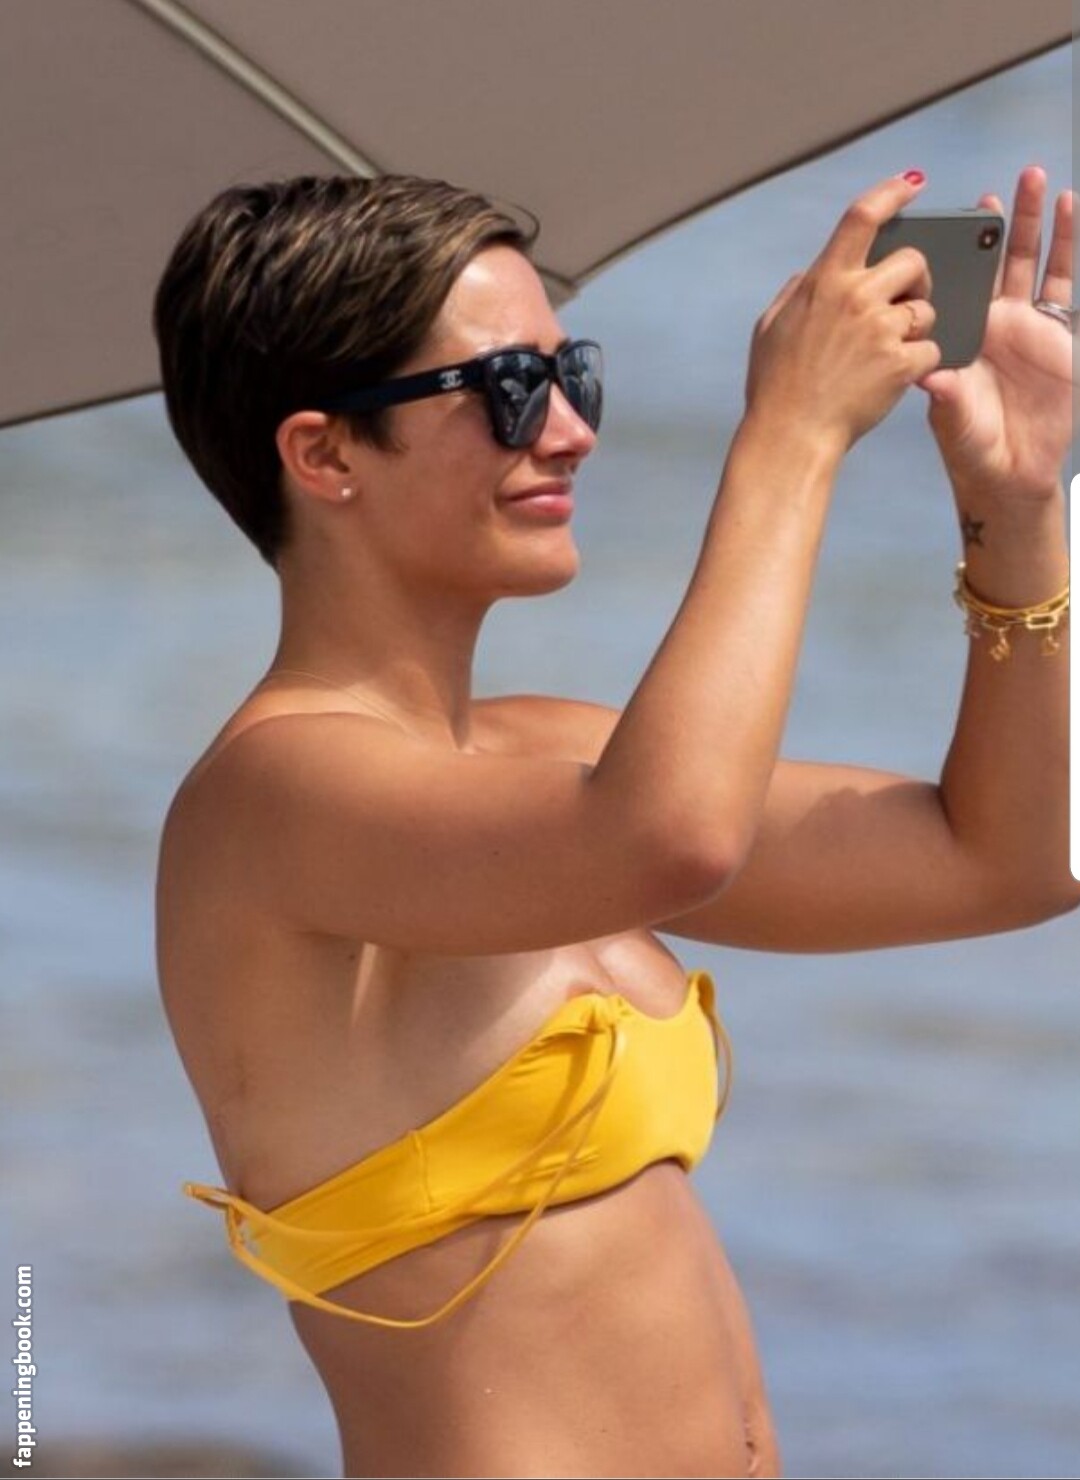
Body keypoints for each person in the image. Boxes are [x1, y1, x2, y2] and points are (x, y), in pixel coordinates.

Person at [153, 165, 1075, 1479]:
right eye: (508, 388)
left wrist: (1018, 509)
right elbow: (672, 840)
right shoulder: (270, 802)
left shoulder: (546, 758)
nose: (572, 430)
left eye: (568, 372)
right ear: (324, 454)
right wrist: (791, 435)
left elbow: (1008, 862)